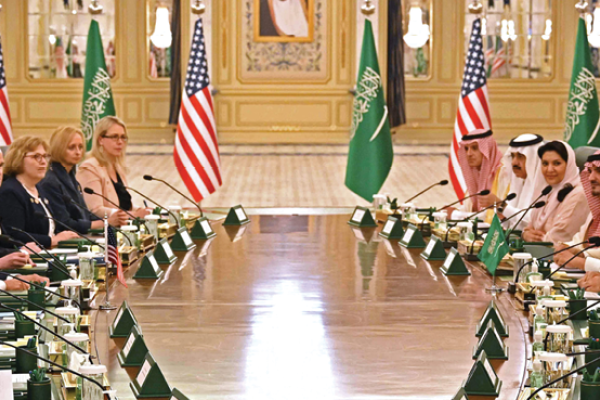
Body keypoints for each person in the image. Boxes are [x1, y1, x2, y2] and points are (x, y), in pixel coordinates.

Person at [39, 127, 127, 234]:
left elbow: (85, 214)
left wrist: (111, 220)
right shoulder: (50, 182)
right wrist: (105, 223)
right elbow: (63, 223)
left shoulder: (70, 175)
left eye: (80, 147)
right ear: (59, 148)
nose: (78, 152)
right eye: (72, 147)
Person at [0, 136, 78, 248]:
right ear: (18, 158)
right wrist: (51, 240)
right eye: (36, 156)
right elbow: (14, 235)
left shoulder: (39, 188)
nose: (43, 162)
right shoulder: (10, 191)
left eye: (45, 156)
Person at [77, 116, 150, 220]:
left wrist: (143, 211)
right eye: (115, 137)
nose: (120, 142)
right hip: (104, 232)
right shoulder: (89, 168)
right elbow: (95, 210)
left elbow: (124, 206)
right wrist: (133, 215)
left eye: (123, 137)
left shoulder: (117, 167)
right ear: (100, 140)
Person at [522, 141, 589, 244]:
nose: (549, 169)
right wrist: (525, 234)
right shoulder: (546, 192)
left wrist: (535, 238)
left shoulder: (579, 194)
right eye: (545, 163)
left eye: (557, 163)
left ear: (569, 165)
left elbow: (559, 238)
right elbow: (530, 226)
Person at [554, 151, 600, 271]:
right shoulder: (596, 210)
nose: (591, 178)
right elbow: (580, 242)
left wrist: (580, 262)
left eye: (599, 171)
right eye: (590, 171)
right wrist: (571, 249)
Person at [449, 129, 505, 220]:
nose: (468, 154)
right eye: (466, 149)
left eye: (474, 148)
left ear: (488, 149)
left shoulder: (502, 175)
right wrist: (453, 210)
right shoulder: (475, 175)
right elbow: (471, 207)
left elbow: (491, 215)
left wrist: (455, 215)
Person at [498, 134, 545, 229]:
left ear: (534, 158)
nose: (514, 162)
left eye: (520, 156)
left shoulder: (545, 187)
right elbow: (511, 224)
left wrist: (503, 207)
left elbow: (533, 220)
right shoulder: (519, 184)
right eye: (512, 156)